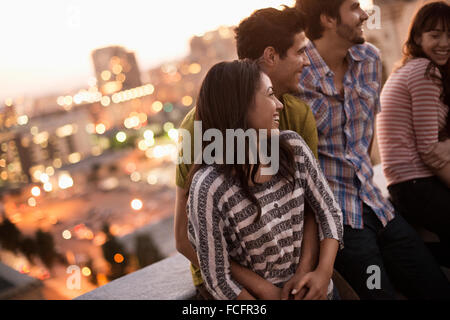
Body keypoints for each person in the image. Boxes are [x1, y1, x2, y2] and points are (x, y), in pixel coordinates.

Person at [295, 0, 450, 299]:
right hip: (340, 222)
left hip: (379, 207)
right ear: (327, 19)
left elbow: (364, 138)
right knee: (380, 294)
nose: (365, 14)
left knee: (436, 288)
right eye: (354, 7)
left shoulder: (368, 59)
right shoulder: (298, 74)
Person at [175, 7, 330, 300]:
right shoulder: (199, 126)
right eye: (299, 52)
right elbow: (184, 238)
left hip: (293, 267)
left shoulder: (296, 117)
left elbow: (312, 205)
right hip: (230, 283)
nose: (306, 61)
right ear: (271, 56)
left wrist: (301, 278)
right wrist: (264, 290)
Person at [377, 1, 450, 268]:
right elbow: (430, 150)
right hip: (415, 184)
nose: (444, 43)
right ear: (418, 37)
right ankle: (402, 258)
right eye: (435, 35)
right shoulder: (424, 71)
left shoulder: (413, 68)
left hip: (409, 184)